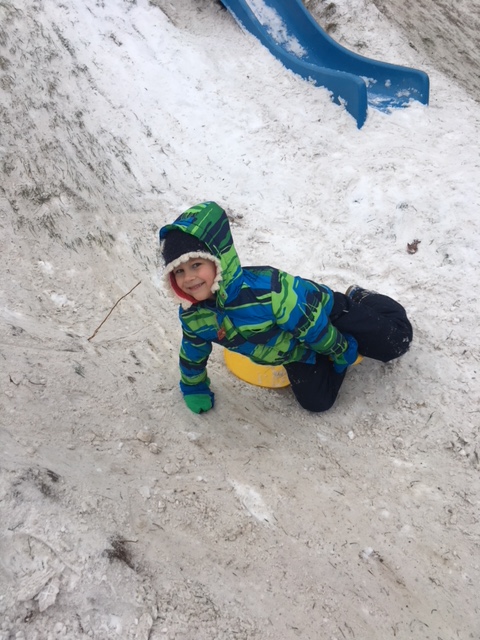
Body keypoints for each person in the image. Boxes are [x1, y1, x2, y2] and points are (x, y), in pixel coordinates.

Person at [159, 201, 412, 414]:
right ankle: (329, 352)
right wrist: (194, 387)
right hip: (296, 350)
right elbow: (192, 352)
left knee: (396, 342)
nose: (188, 277)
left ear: (218, 261)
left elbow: (313, 327)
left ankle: (360, 298)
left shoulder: (267, 291)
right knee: (318, 402)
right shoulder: (194, 316)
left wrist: (340, 348)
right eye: (179, 271)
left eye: (196, 265)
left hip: (323, 312)